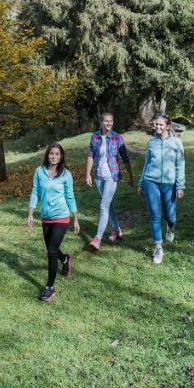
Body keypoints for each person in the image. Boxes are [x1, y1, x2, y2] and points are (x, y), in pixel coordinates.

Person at [27, 142, 80, 301]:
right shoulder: (39, 171)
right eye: (51, 154)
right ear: (47, 155)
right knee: (53, 248)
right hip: (46, 217)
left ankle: (50, 287)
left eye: (57, 154)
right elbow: (35, 192)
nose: (54, 157)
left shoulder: (65, 174)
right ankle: (65, 259)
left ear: (61, 156)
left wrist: (75, 218)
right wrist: (30, 214)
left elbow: (70, 196)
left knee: (51, 251)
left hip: (62, 216)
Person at [84, 111, 134, 252]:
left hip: (112, 176)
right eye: (106, 121)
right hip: (99, 176)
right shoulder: (95, 136)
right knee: (108, 203)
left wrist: (130, 176)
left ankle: (97, 238)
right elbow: (90, 155)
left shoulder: (117, 138)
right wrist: (88, 174)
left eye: (110, 121)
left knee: (103, 205)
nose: (108, 123)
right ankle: (116, 229)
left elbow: (125, 158)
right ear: (101, 122)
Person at [139, 113, 185, 265]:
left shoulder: (177, 143)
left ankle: (170, 228)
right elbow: (146, 164)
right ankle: (158, 247)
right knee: (154, 214)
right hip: (150, 181)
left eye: (161, 125)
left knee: (170, 215)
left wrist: (180, 185)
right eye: (156, 124)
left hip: (169, 183)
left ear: (168, 126)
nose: (158, 127)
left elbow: (180, 165)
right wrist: (141, 183)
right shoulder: (152, 142)